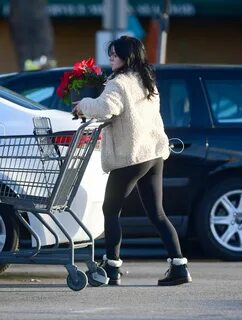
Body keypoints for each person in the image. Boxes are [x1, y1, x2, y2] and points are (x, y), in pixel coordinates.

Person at [73, 36, 192, 286]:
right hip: (154, 153)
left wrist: (82, 105)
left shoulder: (119, 83)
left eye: (115, 54)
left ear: (128, 56)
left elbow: (106, 108)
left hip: (132, 156)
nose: (111, 58)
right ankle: (180, 267)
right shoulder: (146, 80)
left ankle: (112, 267)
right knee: (157, 214)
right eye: (111, 54)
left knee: (110, 209)